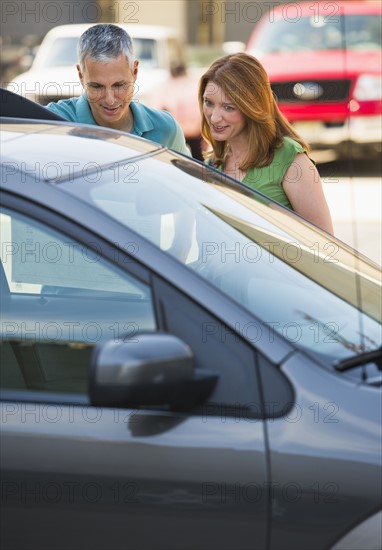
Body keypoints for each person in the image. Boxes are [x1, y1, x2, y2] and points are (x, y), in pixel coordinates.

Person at [198, 52, 334, 234]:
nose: (214, 117)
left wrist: (266, 212)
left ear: (252, 107)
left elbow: (325, 242)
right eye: (209, 102)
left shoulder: (290, 158)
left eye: (228, 107)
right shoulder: (214, 161)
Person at [47, 24, 190, 155]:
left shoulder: (166, 129)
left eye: (119, 85)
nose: (110, 100)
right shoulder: (50, 123)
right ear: (80, 75)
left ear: (135, 71)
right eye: (97, 86)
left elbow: (188, 182)